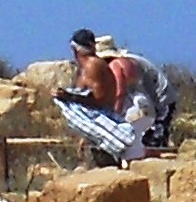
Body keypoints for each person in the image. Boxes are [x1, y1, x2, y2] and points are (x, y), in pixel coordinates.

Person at [58, 27, 170, 166]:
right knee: (140, 150)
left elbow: (118, 93)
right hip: (146, 107)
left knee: (132, 156)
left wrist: (115, 120)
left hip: (133, 111)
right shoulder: (126, 63)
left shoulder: (111, 66)